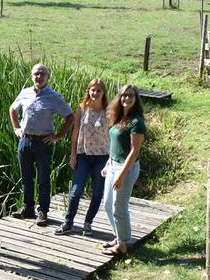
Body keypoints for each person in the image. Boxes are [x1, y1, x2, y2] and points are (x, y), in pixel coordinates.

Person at [8, 64, 73, 226]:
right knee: (26, 177)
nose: (39, 76)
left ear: (48, 77)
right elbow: (12, 109)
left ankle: (43, 211)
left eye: (42, 74)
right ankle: (27, 208)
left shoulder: (54, 96)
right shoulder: (25, 93)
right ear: (32, 76)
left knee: (43, 178)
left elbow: (70, 117)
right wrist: (17, 128)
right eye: (36, 74)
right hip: (25, 140)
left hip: (44, 142)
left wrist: (58, 135)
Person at [55, 78, 109, 236]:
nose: (95, 93)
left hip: (102, 157)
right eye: (93, 90)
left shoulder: (110, 110)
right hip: (83, 155)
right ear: (89, 91)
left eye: (98, 90)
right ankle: (68, 222)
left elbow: (114, 133)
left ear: (103, 92)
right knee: (76, 190)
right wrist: (73, 154)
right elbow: (76, 131)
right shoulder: (82, 108)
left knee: (98, 192)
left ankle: (88, 223)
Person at [102, 84, 145, 256]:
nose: (126, 98)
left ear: (135, 100)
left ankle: (123, 244)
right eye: (123, 95)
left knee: (119, 207)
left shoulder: (136, 122)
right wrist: (108, 164)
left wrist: (121, 175)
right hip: (113, 164)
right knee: (107, 204)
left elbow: (134, 151)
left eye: (130, 96)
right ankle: (119, 236)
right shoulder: (118, 118)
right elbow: (115, 145)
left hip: (126, 168)